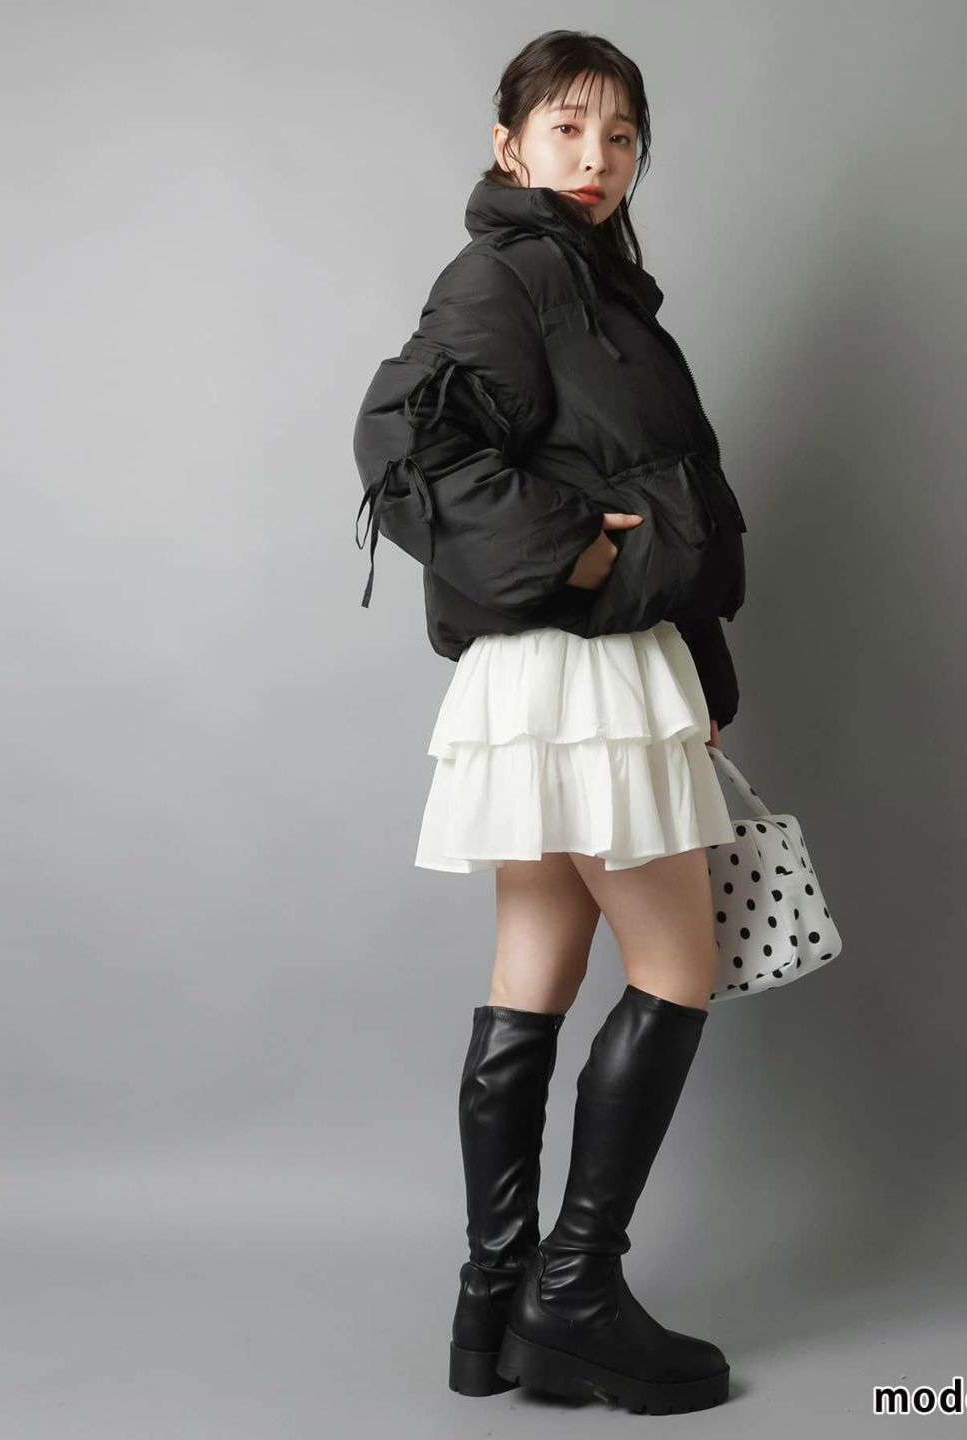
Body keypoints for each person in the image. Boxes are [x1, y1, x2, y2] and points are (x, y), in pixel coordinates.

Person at [351, 29, 746, 1415]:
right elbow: (402, 445)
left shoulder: (593, 283)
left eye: (620, 135)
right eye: (569, 128)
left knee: (535, 964)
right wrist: (577, 551)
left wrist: (696, 673)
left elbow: (655, 481)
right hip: (580, 669)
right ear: (509, 143)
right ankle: (574, 1295)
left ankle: (495, 1303)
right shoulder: (507, 275)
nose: (597, 156)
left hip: (572, 677)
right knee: (677, 964)